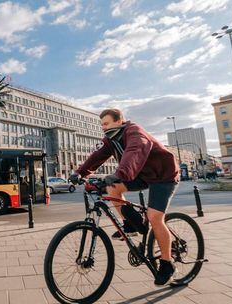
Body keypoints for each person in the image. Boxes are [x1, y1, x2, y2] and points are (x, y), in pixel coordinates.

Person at [69, 108, 179, 286]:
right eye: (101, 125)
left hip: (163, 175)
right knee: (112, 188)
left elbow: (134, 151)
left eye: (106, 124)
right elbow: (97, 157)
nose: (103, 128)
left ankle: (167, 264)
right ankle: (130, 224)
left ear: (119, 121)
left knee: (154, 217)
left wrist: (120, 173)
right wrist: (80, 173)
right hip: (141, 175)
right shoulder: (111, 140)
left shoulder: (134, 132)